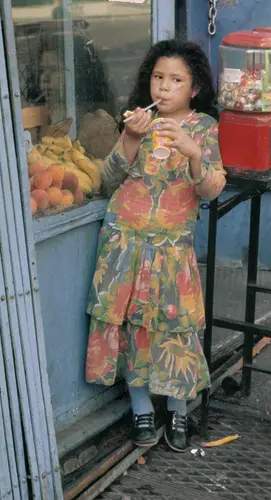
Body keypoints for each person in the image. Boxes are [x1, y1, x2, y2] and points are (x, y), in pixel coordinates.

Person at [85, 40, 226, 452]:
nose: (164, 88)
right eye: (158, 78)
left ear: (195, 88)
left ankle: (179, 407)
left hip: (171, 250)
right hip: (124, 242)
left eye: (176, 80)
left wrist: (194, 154)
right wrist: (129, 137)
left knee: (173, 328)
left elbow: (213, 189)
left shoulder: (203, 128)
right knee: (130, 325)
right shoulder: (137, 121)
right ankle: (141, 405)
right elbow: (108, 179)